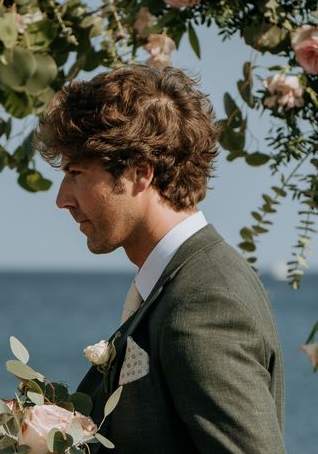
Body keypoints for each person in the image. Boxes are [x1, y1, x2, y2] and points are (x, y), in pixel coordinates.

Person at [35, 66, 285, 453]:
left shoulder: (205, 303)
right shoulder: (179, 284)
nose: (62, 199)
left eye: (77, 172)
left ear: (140, 173)